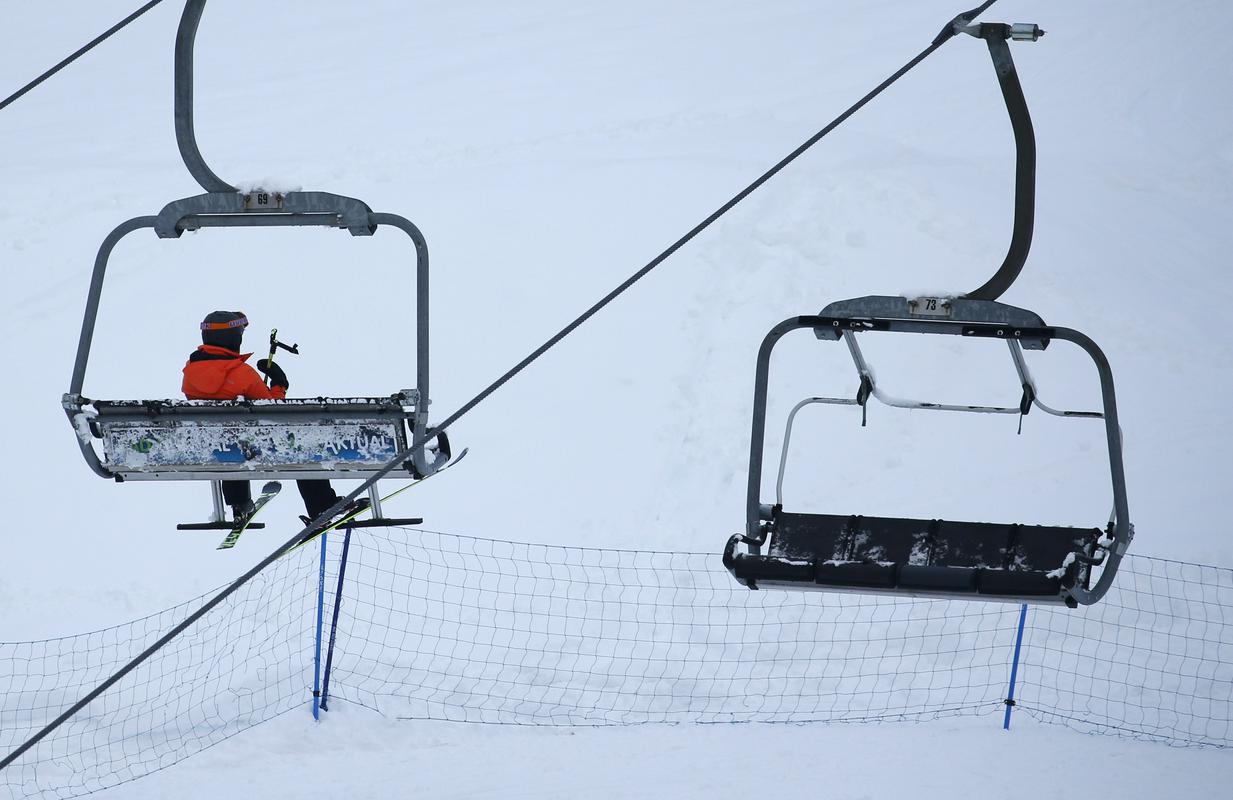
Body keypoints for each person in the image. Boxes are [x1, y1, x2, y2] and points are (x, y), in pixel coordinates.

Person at [182, 310, 364, 525]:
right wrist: (279, 384)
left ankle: (239, 504)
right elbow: (273, 412)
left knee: (226, 439)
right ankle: (322, 506)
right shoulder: (242, 374)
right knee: (303, 443)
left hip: (212, 450)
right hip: (256, 449)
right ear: (233, 338)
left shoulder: (189, 375)